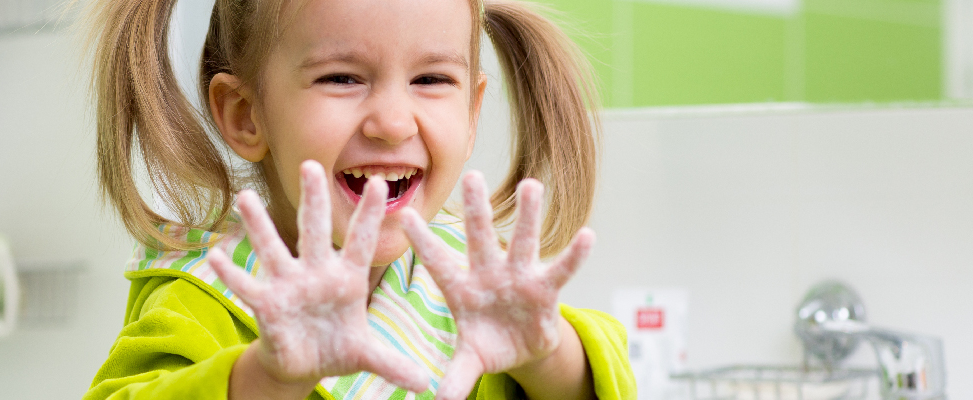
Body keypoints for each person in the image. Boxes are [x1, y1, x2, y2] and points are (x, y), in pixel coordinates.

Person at [82, 0, 635, 398]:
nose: (394, 123)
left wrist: (549, 355)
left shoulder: (483, 288)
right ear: (245, 114)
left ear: (472, 113)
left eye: (431, 79)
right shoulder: (204, 297)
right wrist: (268, 378)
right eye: (343, 78)